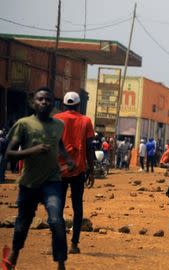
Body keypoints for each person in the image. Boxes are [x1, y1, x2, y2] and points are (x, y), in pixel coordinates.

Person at [3, 87, 74, 270]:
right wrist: (32, 151)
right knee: (22, 223)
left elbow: (60, 145)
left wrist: (67, 158)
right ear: (33, 102)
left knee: (57, 220)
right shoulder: (23, 124)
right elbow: (9, 154)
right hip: (29, 183)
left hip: (53, 181)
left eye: (48, 100)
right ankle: (14, 254)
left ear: (53, 104)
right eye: (40, 99)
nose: (44, 102)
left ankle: (61, 263)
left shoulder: (59, 125)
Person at [54, 91, 95, 255]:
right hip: (78, 169)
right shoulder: (86, 121)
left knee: (58, 208)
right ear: (79, 105)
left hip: (58, 170)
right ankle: (74, 244)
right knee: (78, 207)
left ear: (63, 105)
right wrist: (91, 170)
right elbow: (90, 147)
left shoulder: (56, 119)